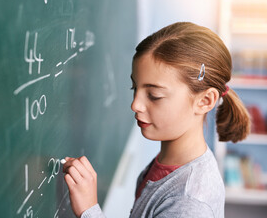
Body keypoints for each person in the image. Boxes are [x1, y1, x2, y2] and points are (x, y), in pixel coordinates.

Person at [62, 22, 251, 218]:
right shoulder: (171, 162)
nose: (135, 104)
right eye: (135, 88)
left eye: (153, 95)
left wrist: (88, 210)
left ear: (205, 101)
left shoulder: (190, 204)